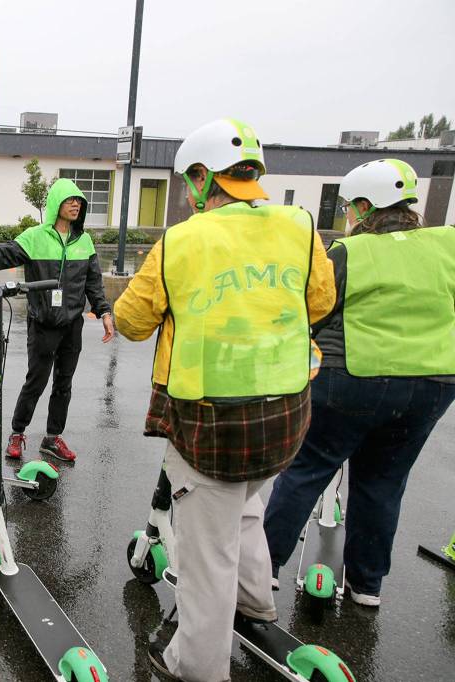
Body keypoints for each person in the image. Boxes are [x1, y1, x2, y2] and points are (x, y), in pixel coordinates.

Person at [113, 118, 336, 682]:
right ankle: (257, 604)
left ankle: (196, 666)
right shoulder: (300, 226)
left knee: (206, 551)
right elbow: (320, 301)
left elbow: (133, 322)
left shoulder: (183, 240)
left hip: (210, 426)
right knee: (248, 508)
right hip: (286, 415)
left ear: (200, 178)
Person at [263, 159, 455, 606]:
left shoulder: (349, 252)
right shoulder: (448, 244)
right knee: (384, 482)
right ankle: (367, 585)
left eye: (351, 207)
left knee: (307, 469)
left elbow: (315, 310)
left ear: (367, 206)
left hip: (352, 376)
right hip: (433, 382)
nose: (348, 216)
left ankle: (264, 567)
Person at [0, 178, 114, 462]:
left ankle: (53, 438)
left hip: (72, 325)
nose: (76, 204)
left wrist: (104, 311)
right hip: (43, 323)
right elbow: (2, 254)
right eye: (69, 200)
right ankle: (17, 433)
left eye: (79, 201)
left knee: (64, 384)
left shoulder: (84, 241)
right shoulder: (35, 236)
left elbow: (94, 282)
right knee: (36, 382)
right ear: (56, 204)